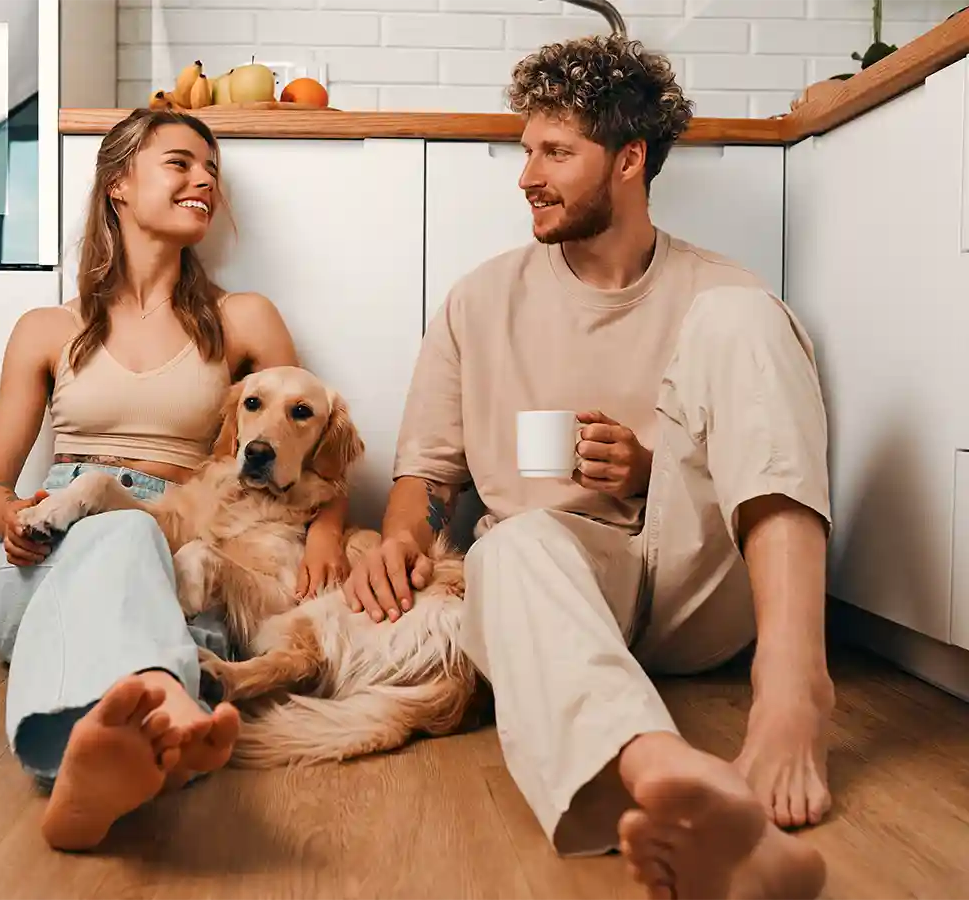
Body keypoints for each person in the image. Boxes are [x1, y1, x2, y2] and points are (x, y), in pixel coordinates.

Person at [344, 35, 831, 900]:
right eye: (528, 150)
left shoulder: (717, 289)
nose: (527, 175)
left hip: (693, 582)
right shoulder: (481, 299)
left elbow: (745, 460)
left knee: (747, 320)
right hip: (557, 586)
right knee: (510, 545)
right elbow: (427, 472)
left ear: (630, 161)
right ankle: (676, 785)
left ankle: (793, 689)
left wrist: (648, 471)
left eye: (557, 152)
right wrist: (400, 537)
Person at [0, 108, 350, 852]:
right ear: (118, 182)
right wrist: (16, 520)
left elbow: (319, 446)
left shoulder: (241, 318)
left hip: (188, 549)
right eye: (180, 163)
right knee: (119, 534)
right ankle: (167, 710)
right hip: (50, 545)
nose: (204, 180)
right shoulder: (47, 328)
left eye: (212, 171)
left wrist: (327, 536)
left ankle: (79, 766)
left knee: (171, 580)